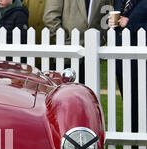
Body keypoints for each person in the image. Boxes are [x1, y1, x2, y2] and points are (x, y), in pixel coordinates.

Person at [43, 0, 113, 83]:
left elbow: (107, 16)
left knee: (89, 93)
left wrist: (101, 39)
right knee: (64, 94)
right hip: (66, 56)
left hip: (92, 56)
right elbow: (50, 18)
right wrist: (65, 39)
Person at [110, 0, 147, 134]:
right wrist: (112, 24)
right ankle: (132, 138)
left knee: (142, 101)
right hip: (121, 59)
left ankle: (141, 139)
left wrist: (130, 24)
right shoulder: (119, 1)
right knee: (128, 101)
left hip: (142, 59)